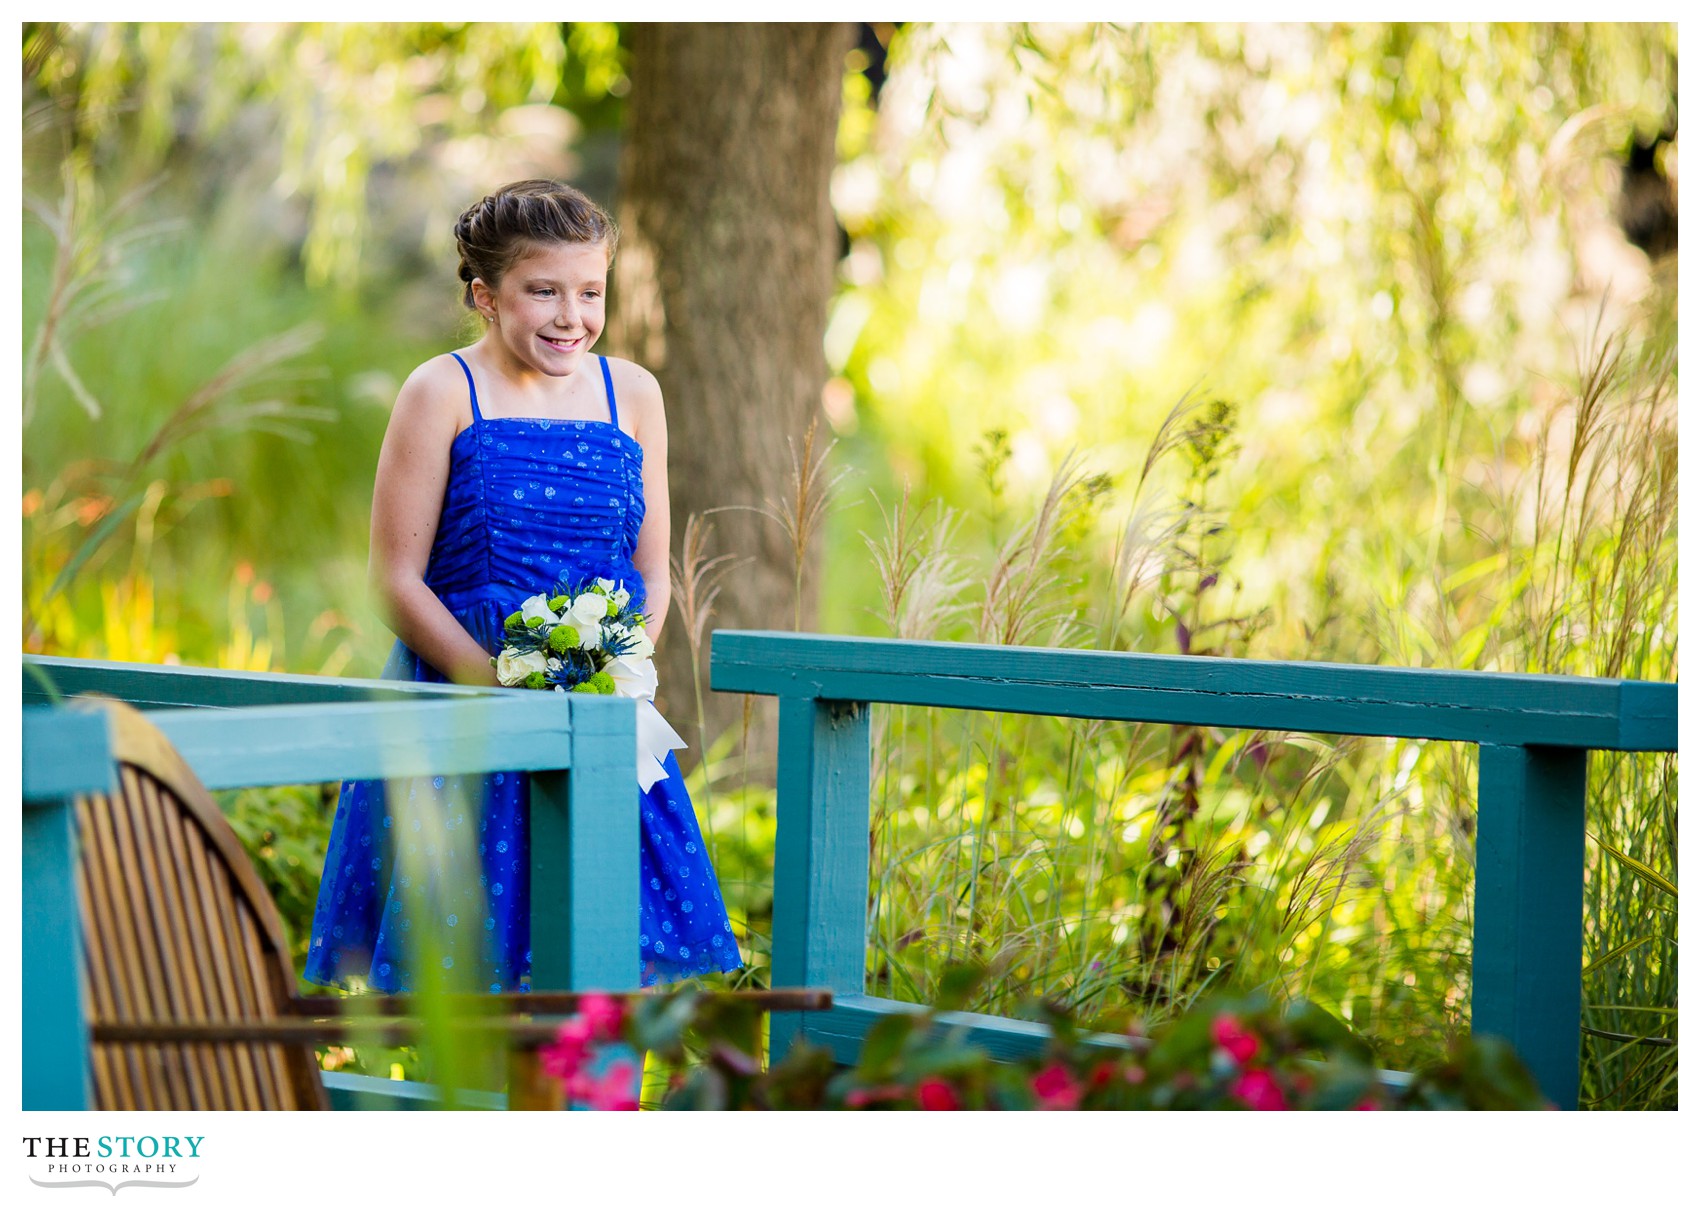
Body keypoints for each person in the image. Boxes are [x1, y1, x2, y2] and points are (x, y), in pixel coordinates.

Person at [304, 180, 743, 994]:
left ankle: (595, 1111)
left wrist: (613, 666)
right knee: (466, 965)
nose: (570, 316)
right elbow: (394, 580)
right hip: (468, 706)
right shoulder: (442, 391)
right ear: (485, 294)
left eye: (589, 292)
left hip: (600, 712)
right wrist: (501, 689)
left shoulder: (634, 395)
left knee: (603, 961)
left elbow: (651, 570)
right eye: (543, 291)